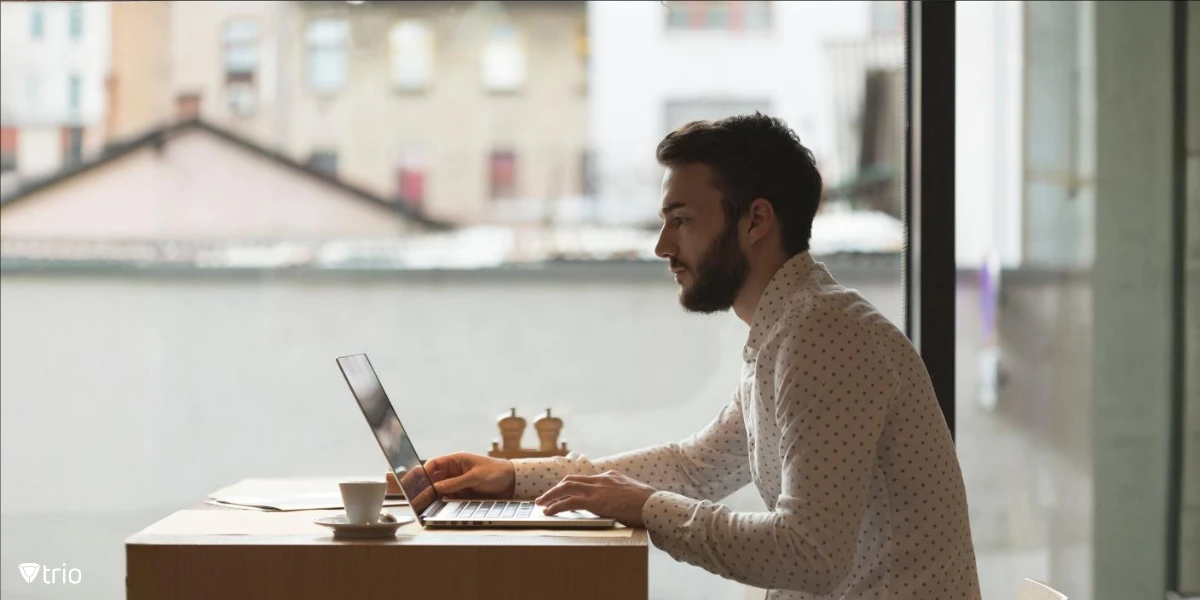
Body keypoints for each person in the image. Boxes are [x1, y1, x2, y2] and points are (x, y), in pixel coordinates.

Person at [423, 113, 980, 599]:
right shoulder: (787, 329)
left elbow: (810, 555)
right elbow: (696, 466)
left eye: (682, 220)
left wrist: (643, 507)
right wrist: (516, 477)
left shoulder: (824, 334)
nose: (663, 245)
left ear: (756, 221)